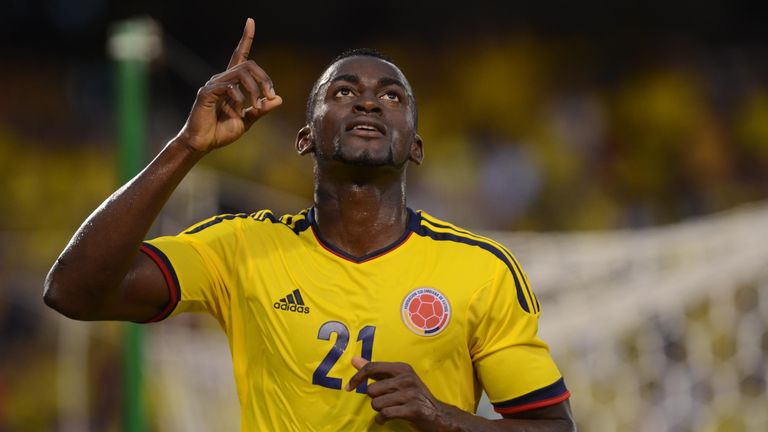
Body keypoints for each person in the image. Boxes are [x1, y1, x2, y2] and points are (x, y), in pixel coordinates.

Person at [44, 18, 575, 431]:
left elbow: (552, 427)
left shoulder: (480, 270)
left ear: (415, 147)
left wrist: (441, 416)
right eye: (343, 92)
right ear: (305, 137)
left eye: (392, 96)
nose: (368, 99)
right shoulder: (241, 246)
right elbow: (72, 292)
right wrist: (186, 147)